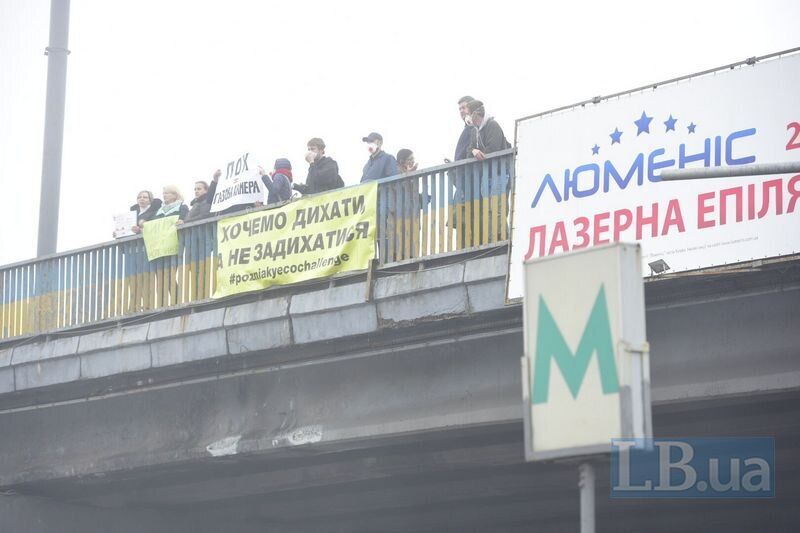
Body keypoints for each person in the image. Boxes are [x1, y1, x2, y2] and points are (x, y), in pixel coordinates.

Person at [454, 95, 475, 162]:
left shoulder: (477, 127)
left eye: (463, 108)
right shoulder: (467, 128)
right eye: (460, 109)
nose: (461, 111)